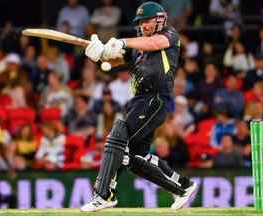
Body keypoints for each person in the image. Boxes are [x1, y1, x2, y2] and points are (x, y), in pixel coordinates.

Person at [81, 1, 196, 211]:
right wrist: (100, 54)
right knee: (136, 159)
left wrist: (122, 42)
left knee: (118, 137)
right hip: (140, 101)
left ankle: (103, 194)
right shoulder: (138, 49)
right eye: (141, 22)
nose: (144, 25)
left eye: (148, 21)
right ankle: (182, 187)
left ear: (160, 20)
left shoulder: (169, 36)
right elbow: (118, 64)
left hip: (155, 98)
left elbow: (153, 43)